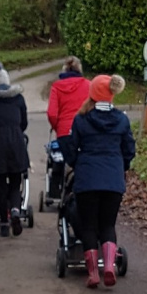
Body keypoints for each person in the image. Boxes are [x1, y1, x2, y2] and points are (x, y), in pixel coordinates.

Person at [66, 74, 135, 289]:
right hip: (113, 181)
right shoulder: (122, 120)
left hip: (87, 179)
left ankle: (93, 272)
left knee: (88, 226)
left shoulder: (81, 119)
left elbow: (71, 149)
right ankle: (109, 266)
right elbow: (129, 150)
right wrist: (120, 167)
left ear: (93, 94)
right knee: (108, 224)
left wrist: (78, 164)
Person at [0, 62, 29, 237]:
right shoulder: (18, 98)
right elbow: (24, 122)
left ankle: (3, 224)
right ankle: (15, 210)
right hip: (16, 140)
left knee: (1, 185)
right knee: (16, 181)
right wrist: (17, 131)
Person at [46, 56, 90, 197]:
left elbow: (52, 113)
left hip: (64, 132)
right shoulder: (88, 85)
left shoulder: (57, 87)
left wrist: (57, 127)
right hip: (84, 132)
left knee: (61, 158)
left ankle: (57, 190)